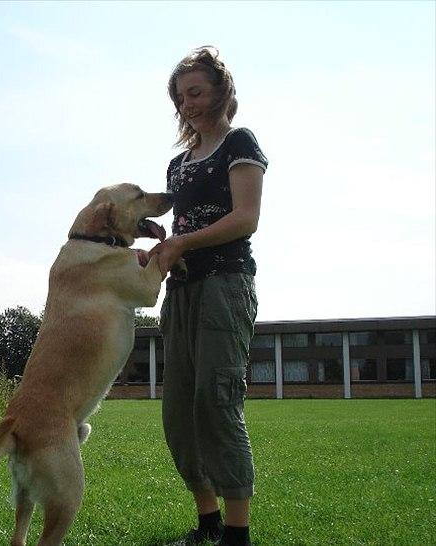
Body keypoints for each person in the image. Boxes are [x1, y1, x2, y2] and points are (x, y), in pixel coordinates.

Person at [149, 46, 267, 546]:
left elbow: (245, 219)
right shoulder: (177, 166)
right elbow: (182, 232)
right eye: (180, 97)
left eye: (195, 92)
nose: (187, 104)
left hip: (225, 287)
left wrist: (183, 242)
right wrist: (159, 252)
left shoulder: (240, 143)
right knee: (178, 412)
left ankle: (236, 536)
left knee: (216, 403)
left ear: (220, 90)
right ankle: (208, 522)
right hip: (182, 293)